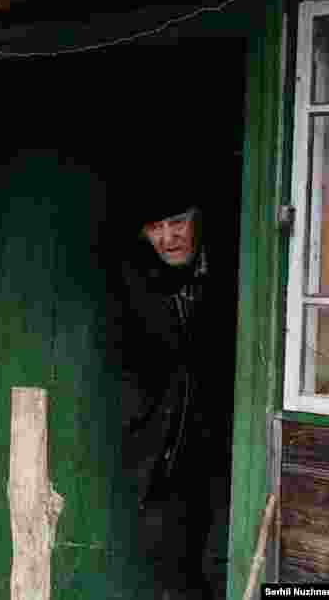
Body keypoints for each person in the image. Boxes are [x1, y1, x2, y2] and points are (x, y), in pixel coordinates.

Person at [118, 182, 234, 600]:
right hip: (162, 461)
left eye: (178, 221)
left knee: (221, 566)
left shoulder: (232, 274)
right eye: (155, 226)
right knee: (172, 574)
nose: (168, 238)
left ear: (199, 218)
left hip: (225, 457)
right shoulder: (133, 282)